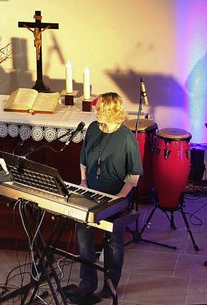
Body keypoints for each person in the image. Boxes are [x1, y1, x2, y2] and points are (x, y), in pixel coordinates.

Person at [69, 92, 143, 303]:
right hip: (91, 193)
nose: (95, 110)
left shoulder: (127, 138)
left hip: (116, 197)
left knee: (113, 242)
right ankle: (87, 283)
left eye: (99, 108)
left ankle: (110, 285)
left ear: (111, 111)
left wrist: (119, 198)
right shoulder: (93, 129)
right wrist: (83, 182)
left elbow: (133, 175)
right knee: (83, 234)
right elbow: (83, 159)